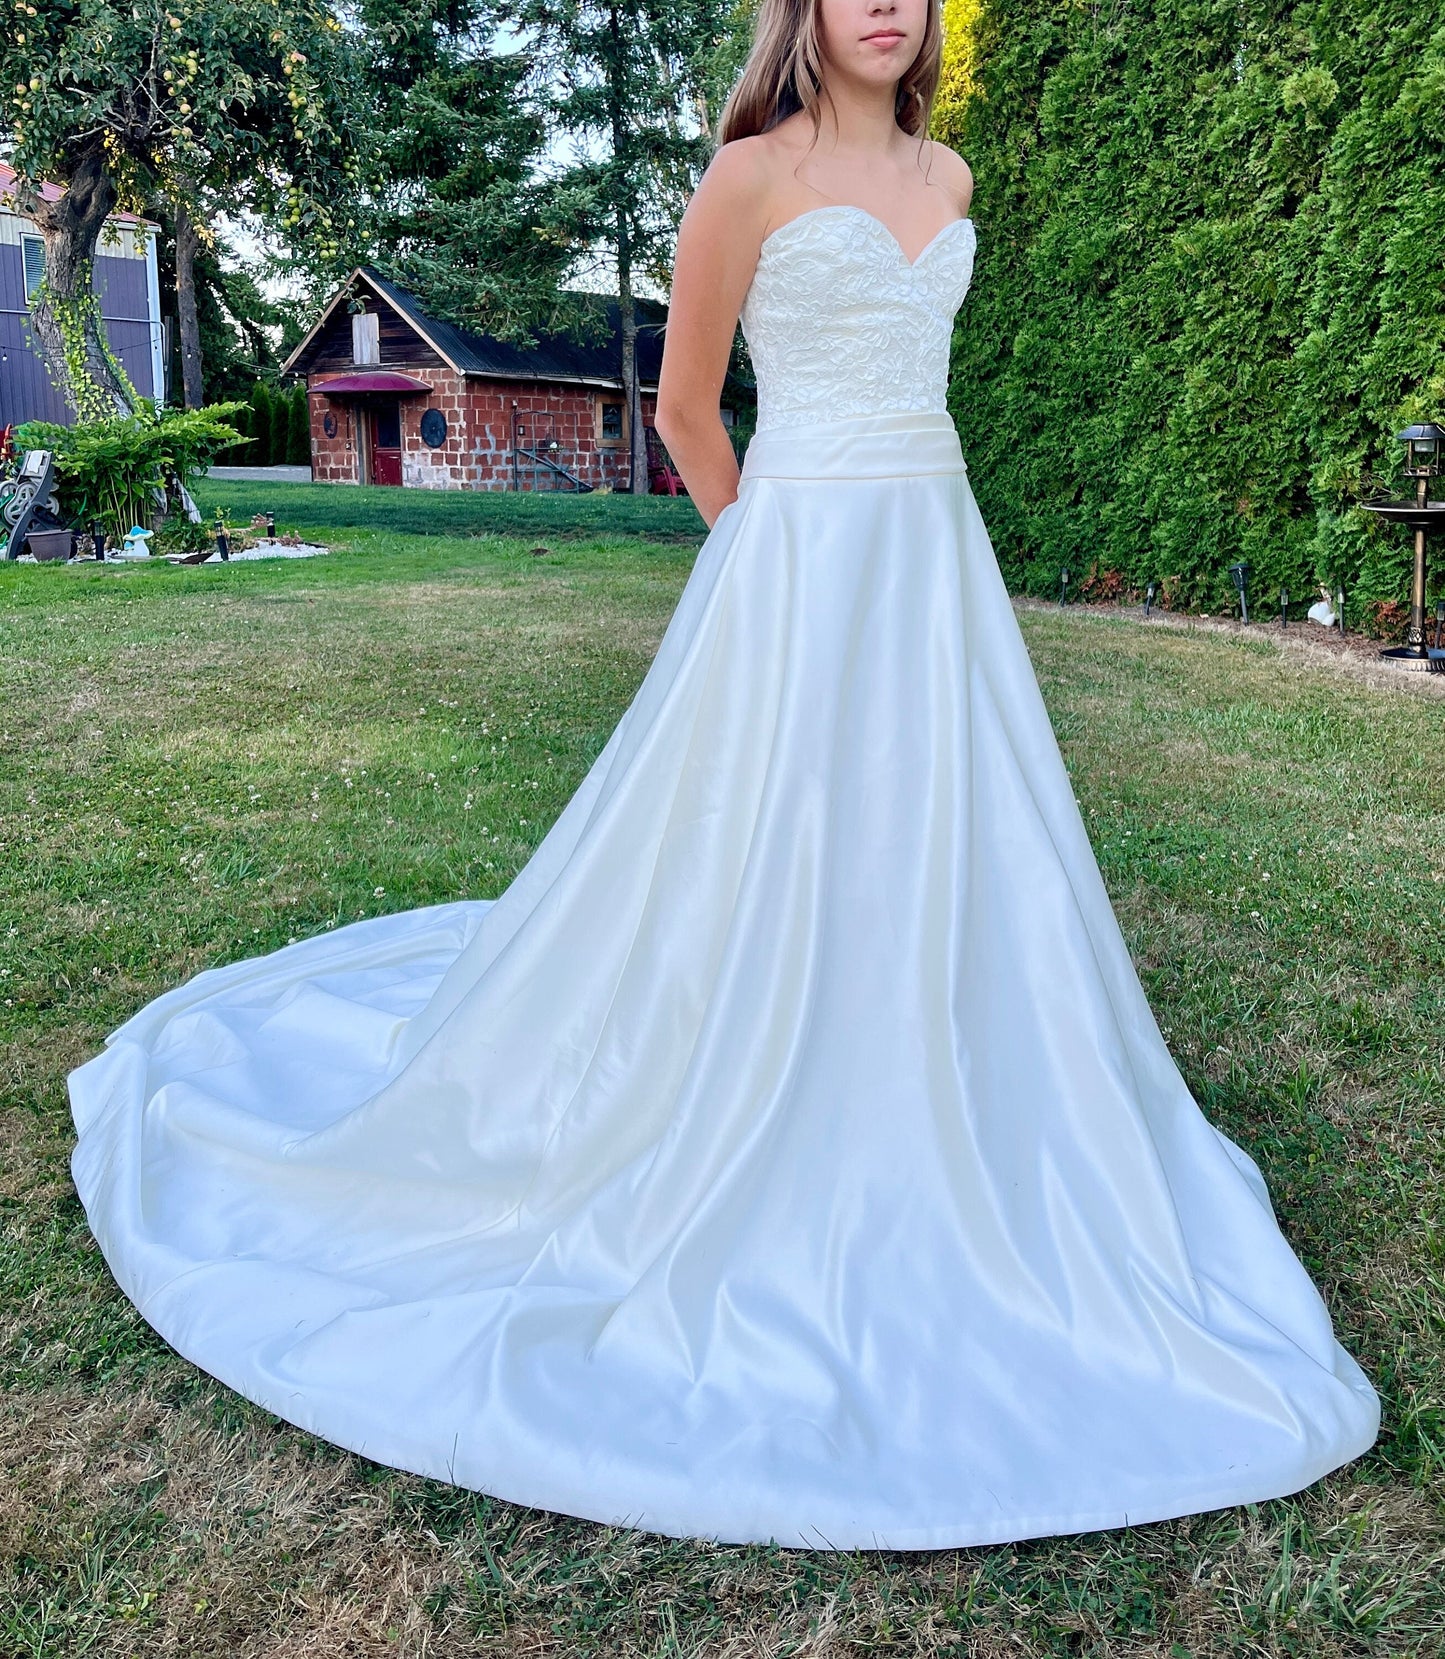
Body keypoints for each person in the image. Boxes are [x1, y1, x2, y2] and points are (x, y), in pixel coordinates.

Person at [68, 0, 1379, 1551]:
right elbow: (687, 407)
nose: (885, 5)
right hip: (799, 548)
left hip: (931, 553)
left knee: (944, 824)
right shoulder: (745, 176)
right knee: (769, 827)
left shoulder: (950, 181)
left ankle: (941, 1056)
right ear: (805, 13)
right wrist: (761, 562)